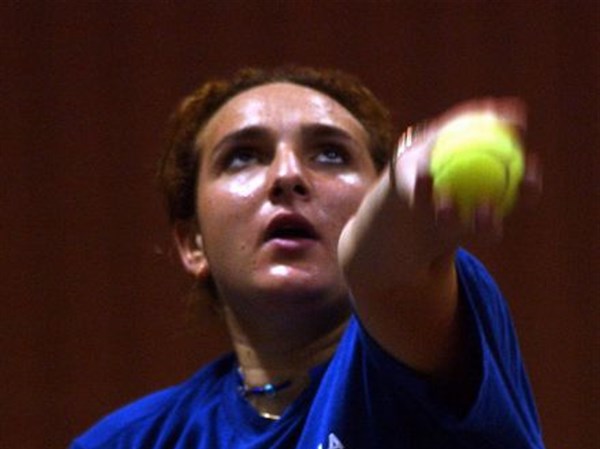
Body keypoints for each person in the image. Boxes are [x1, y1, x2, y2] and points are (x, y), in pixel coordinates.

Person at [71, 66, 545, 448]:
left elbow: (379, 271)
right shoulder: (129, 441)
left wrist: (402, 193)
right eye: (242, 157)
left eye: (331, 155)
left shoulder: (426, 320)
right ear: (193, 244)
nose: (288, 175)